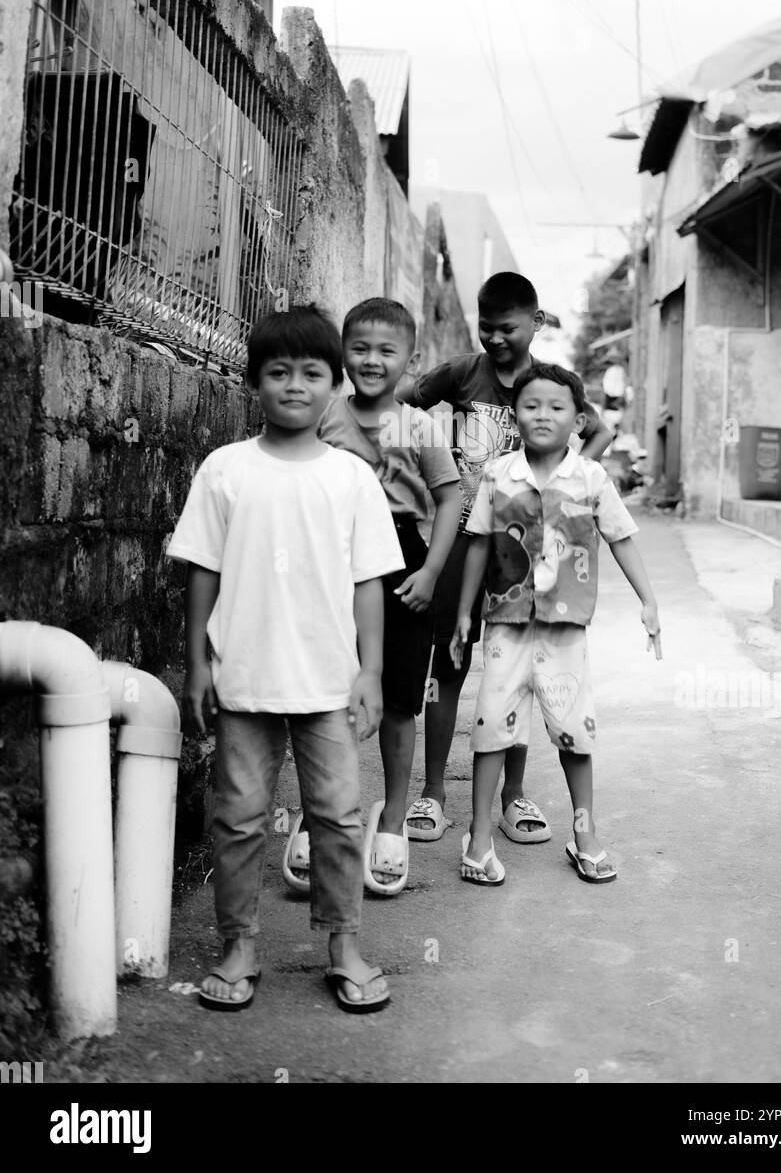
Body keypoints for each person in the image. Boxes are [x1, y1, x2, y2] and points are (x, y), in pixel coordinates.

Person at [167, 305, 405, 1013]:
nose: (294, 385)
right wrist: (197, 663)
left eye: (310, 373)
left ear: (334, 384)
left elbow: (369, 582)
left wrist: (370, 672)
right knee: (238, 817)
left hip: (328, 684)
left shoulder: (352, 478)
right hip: (242, 679)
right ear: (254, 383)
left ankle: (344, 944)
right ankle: (239, 944)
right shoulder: (225, 471)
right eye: (278, 372)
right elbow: (201, 572)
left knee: (336, 814)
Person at [396, 272, 613, 844]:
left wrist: (568, 484)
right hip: (460, 541)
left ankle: (513, 798)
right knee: (446, 665)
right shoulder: (463, 373)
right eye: (485, 326)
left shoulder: (546, 384)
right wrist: (414, 462)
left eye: (507, 328)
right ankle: (434, 792)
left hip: (522, 556)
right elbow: (402, 400)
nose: (494, 338)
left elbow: (601, 431)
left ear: (536, 323)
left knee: (517, 673)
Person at [450, 362, 661, 886]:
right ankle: (479, 839)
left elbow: (620, 538)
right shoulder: (498, 474)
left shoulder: (590, 479)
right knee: (492, 725)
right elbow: (478, 542)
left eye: (557, 407)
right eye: (531, 405)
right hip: (505, 624)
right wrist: (462, 614)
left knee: (574, 731)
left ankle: (584, 834)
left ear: (579, 419)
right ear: (515, 414)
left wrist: (649, 600)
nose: (543, 415)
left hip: (565, 630)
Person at [316, 298, 461, 896]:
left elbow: (450, 498)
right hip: (332, 560)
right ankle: (326, 815)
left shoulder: (420, 426)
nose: (371, 361)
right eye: (359, 348)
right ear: (341, 353)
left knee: (402, 695)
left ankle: (395, 821)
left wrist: (429, 572)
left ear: (411, 359)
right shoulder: (323, 415)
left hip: (402, 561)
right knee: (327, 690)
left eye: (387, 351)